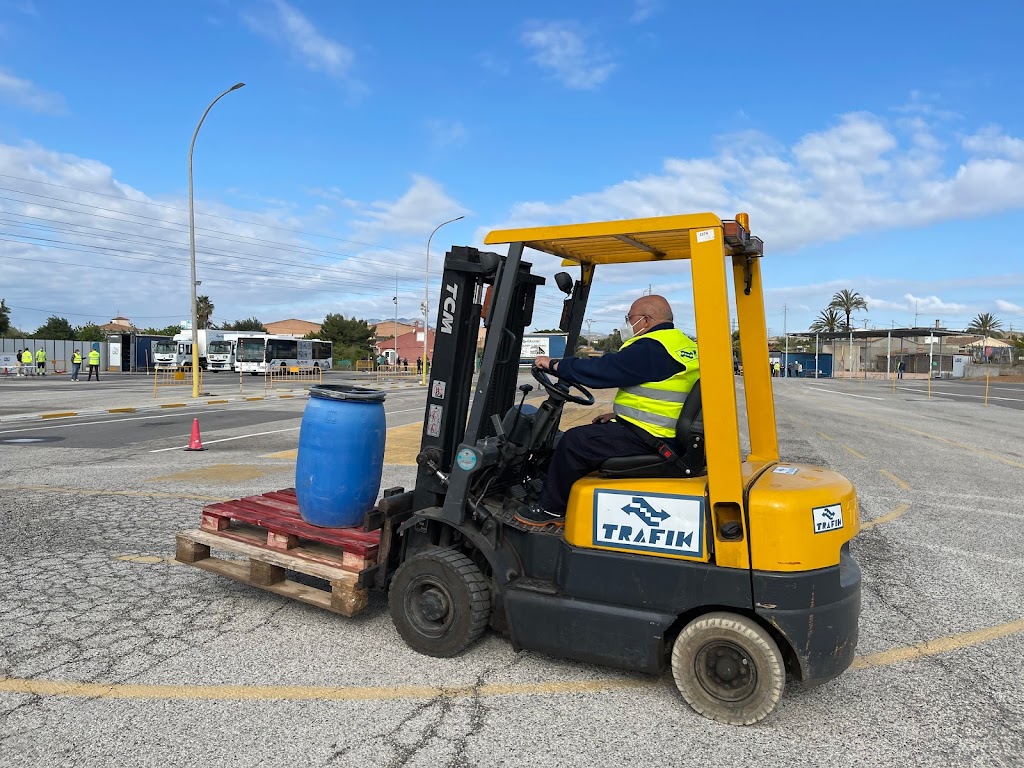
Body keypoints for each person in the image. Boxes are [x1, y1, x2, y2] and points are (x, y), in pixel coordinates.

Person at [515, 295, 699, 528]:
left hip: (654, 439)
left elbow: (603, 370)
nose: (627, 323)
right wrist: (617, 416)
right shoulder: (683, 346)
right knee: (595, 432)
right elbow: (671, 394)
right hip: (667, 433)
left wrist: (554, 365)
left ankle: (551, 509)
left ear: (645, 320)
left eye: (629, 318)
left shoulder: (652, 347)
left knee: (574, 442)